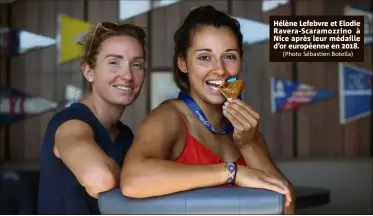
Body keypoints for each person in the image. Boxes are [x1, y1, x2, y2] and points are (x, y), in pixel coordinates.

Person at [120, 5, 295, 214]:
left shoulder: (245, 128)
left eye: (229, 56)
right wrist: (232, 172)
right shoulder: (169, 117)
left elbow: (286, 207)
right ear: (183, 63)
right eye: (204, 57)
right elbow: (132, 180)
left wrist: (248, 144)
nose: (220, 69)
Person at [38, 22, 147, 214]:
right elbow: (99, 178)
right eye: (114, 62)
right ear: (89, 72)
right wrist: (134, 179)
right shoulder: (70, 123)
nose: (128, 75)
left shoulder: (125, 136)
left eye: (137, 64)